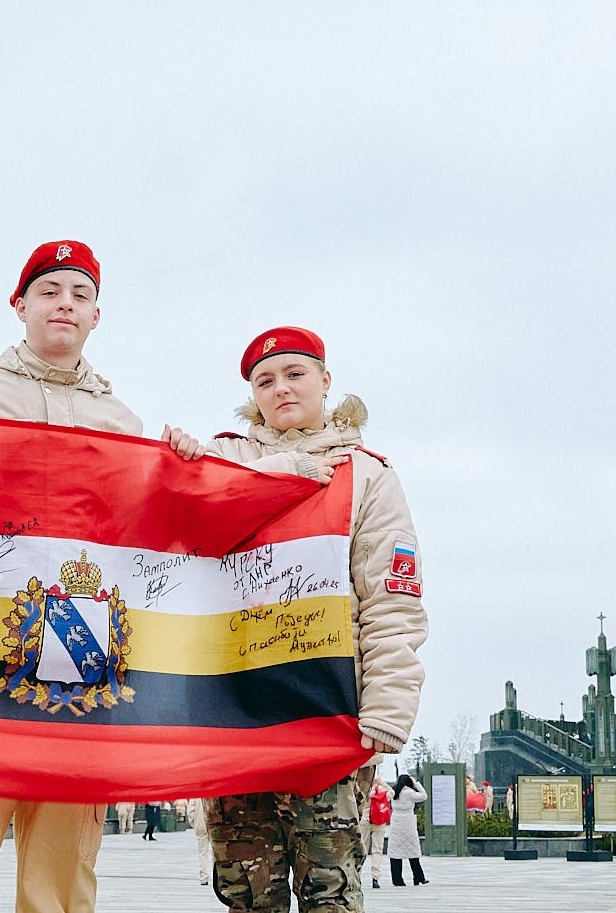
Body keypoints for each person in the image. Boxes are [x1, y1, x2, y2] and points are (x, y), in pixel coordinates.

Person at [0, 241, 143, 913]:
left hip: (81, 657)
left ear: (97, 315)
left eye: (78, 294)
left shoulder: (122, 423)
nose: (64, 303)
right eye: (48, 291)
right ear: (20, 306)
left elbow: (138, 540)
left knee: (63, 874)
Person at [165, 325, 428, 912]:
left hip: (326, 721)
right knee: (245, 893)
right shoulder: (216, 464)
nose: (280, 388)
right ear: (251, 395)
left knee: (329, 889)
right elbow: (162, 541)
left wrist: (387, 709)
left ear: (325, 381)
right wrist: (173, 465)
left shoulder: (367, 476)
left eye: (294, 374)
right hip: (237, 720)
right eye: (265, 380)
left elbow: (392, 601)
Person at [386, 775, 427, 888]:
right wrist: (416, 783)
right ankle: (419, 877)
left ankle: (397, 879)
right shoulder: (410, 793)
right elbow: (424, 796)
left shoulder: (394, 792)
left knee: (395, 853)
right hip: (408, 822)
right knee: (412, 850)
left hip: (396, 822)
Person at [363, 776, 392, 890]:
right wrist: (382, 783)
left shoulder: (364, 789)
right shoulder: (382, 790)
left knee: (362, 848)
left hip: (365, 819)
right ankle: (375, 877)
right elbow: (392, 793)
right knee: (377, 849)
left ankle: (358, 873)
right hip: (379, 821)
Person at [187, 799, 210, 885]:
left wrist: (195, 824)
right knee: (216, 854)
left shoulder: (196, 794)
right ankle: (218, 876)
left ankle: (203, 877)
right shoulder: (215, 790)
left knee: (203, 853)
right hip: (214, 825)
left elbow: (190, 812)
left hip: (201, 826)